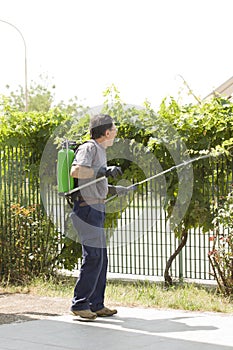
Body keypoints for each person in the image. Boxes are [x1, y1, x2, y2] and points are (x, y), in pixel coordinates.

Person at [69, 114, 133, 320]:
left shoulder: (100, 151)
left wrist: (116, 190)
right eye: (114, 129)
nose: (115, 132)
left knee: (101, 258)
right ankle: (80, 304)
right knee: (94, 256)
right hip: (86, 209)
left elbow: (96, 182)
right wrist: (104, 170)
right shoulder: (89, 148)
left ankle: (96, 304)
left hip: (96, 209)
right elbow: (76, 171)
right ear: (106, 132)